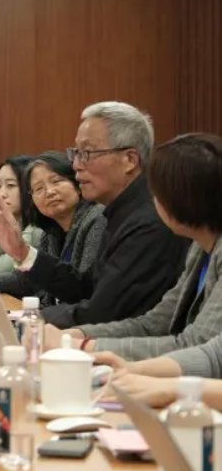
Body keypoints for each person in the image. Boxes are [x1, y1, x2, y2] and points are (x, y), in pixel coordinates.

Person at [0, 101, 189, 328]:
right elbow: (85, 287)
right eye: (76, 153)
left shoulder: (148, 220)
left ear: (129, 160)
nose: (76, 165)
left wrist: (32, 319)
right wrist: (21, 252)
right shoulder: (118, 213)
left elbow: (104, 312)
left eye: (87, 153)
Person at [52, 134, 222, 360]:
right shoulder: (199, 248)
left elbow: (196, 345)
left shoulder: (151, 226)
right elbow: (154, 324)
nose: (154, 199)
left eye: (159, 191)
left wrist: (83, 346)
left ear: (186, 196)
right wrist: (79, 334)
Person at [0, 152, 106, 299]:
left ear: (76, 184)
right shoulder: (50, 233)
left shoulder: (96, 219)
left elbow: (85, 290)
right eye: (39, 188)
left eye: (56, 181)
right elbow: (28, 281)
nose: (49, 192)